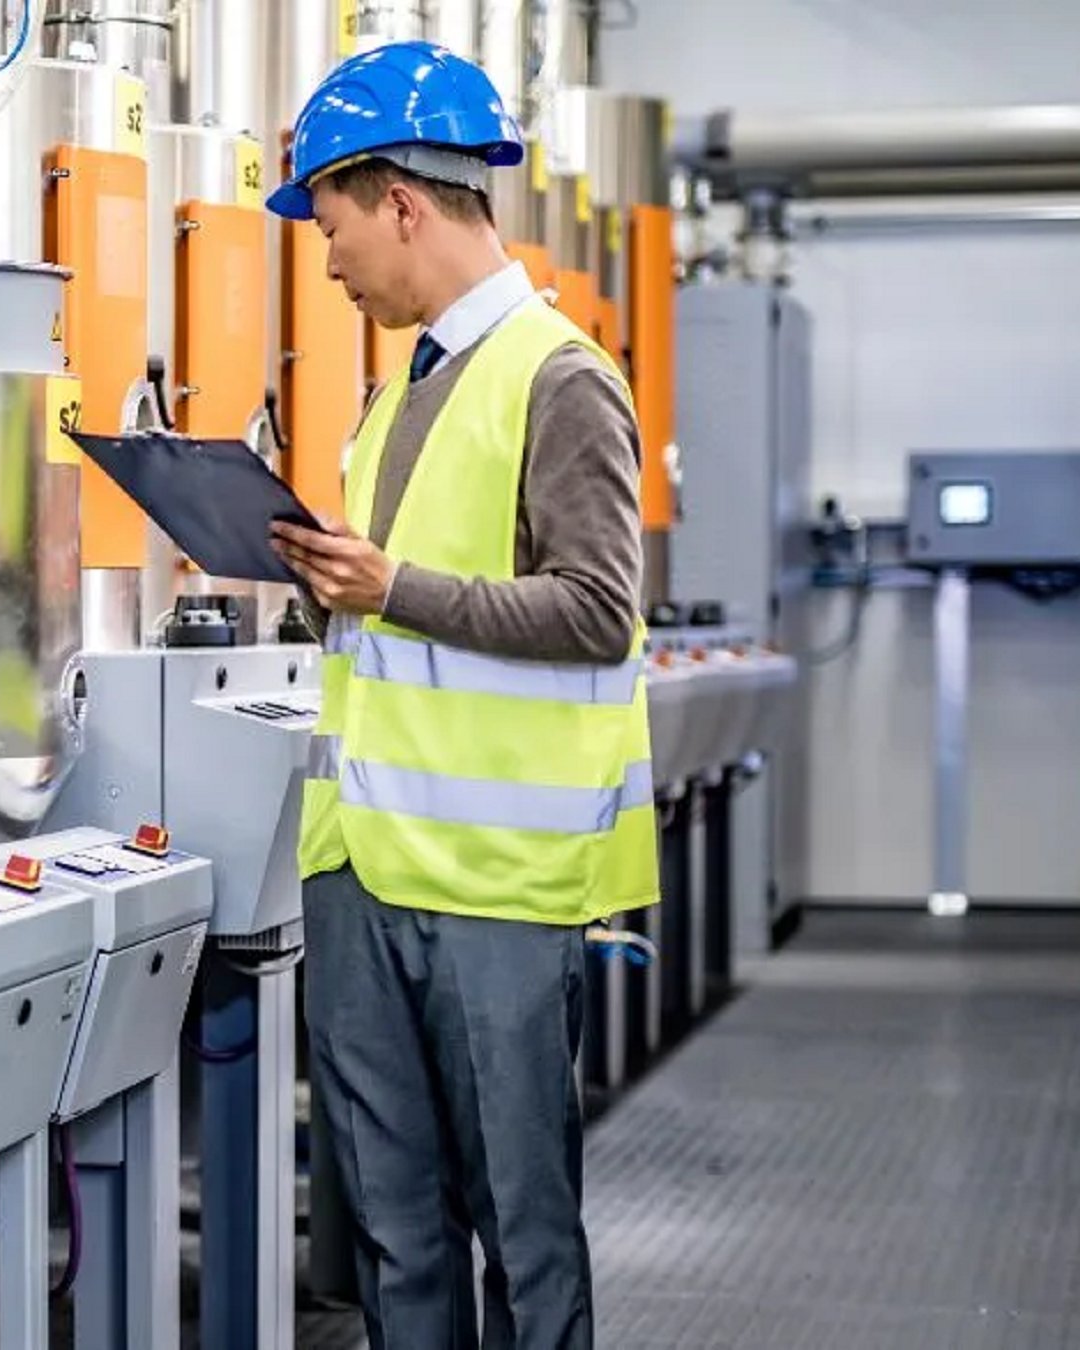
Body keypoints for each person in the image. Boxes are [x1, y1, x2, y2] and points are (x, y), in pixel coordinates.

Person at [261, 40, 657, 1350]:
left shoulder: (561, 379)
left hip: (496, 887)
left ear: (403, 205)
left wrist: (389, 586)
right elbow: (393, 612)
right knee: (392, 1236)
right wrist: (327, 576)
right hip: (367, 872)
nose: (327, 260)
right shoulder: (399, 396)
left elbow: (601, 611)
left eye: (330, 225)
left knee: (523, 1241)